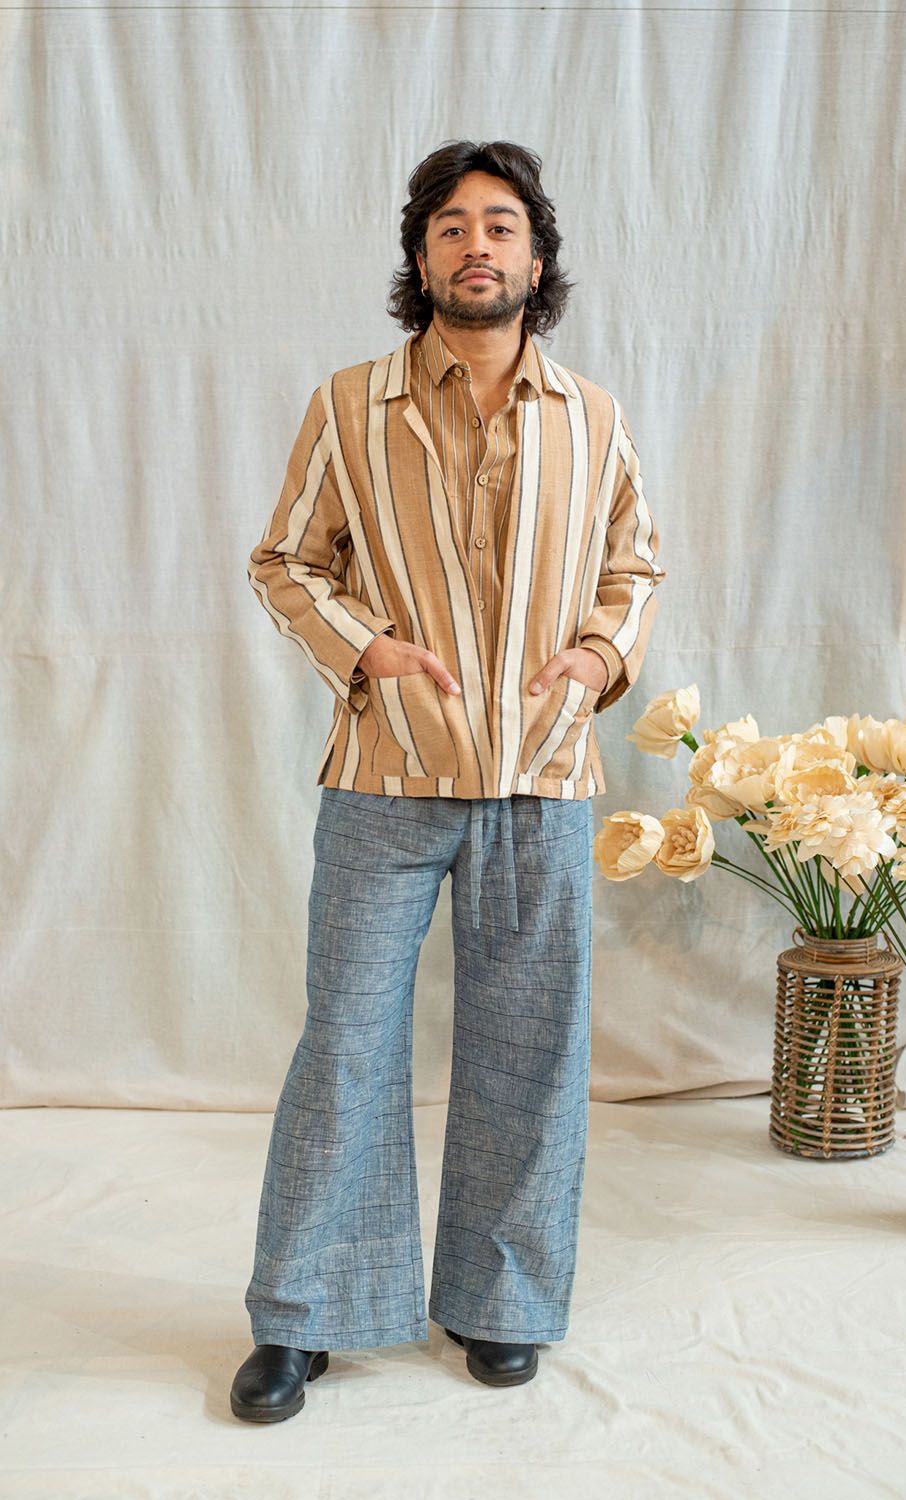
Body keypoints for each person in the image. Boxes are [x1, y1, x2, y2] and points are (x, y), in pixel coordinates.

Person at [230, 140, 663, 1423]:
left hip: (543, 769)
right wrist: (366, 649)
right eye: (451, 228)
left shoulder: (591, 415)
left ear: (536, 257)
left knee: (529, 1049)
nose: (477, 245)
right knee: (346, 1042)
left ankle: (500, 1301)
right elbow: (285, 560)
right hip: (386, 770)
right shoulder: (349, 404)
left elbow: (633, 567)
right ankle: (304, 1315)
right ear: (420, 262)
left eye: (501, 225)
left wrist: (596, 658)